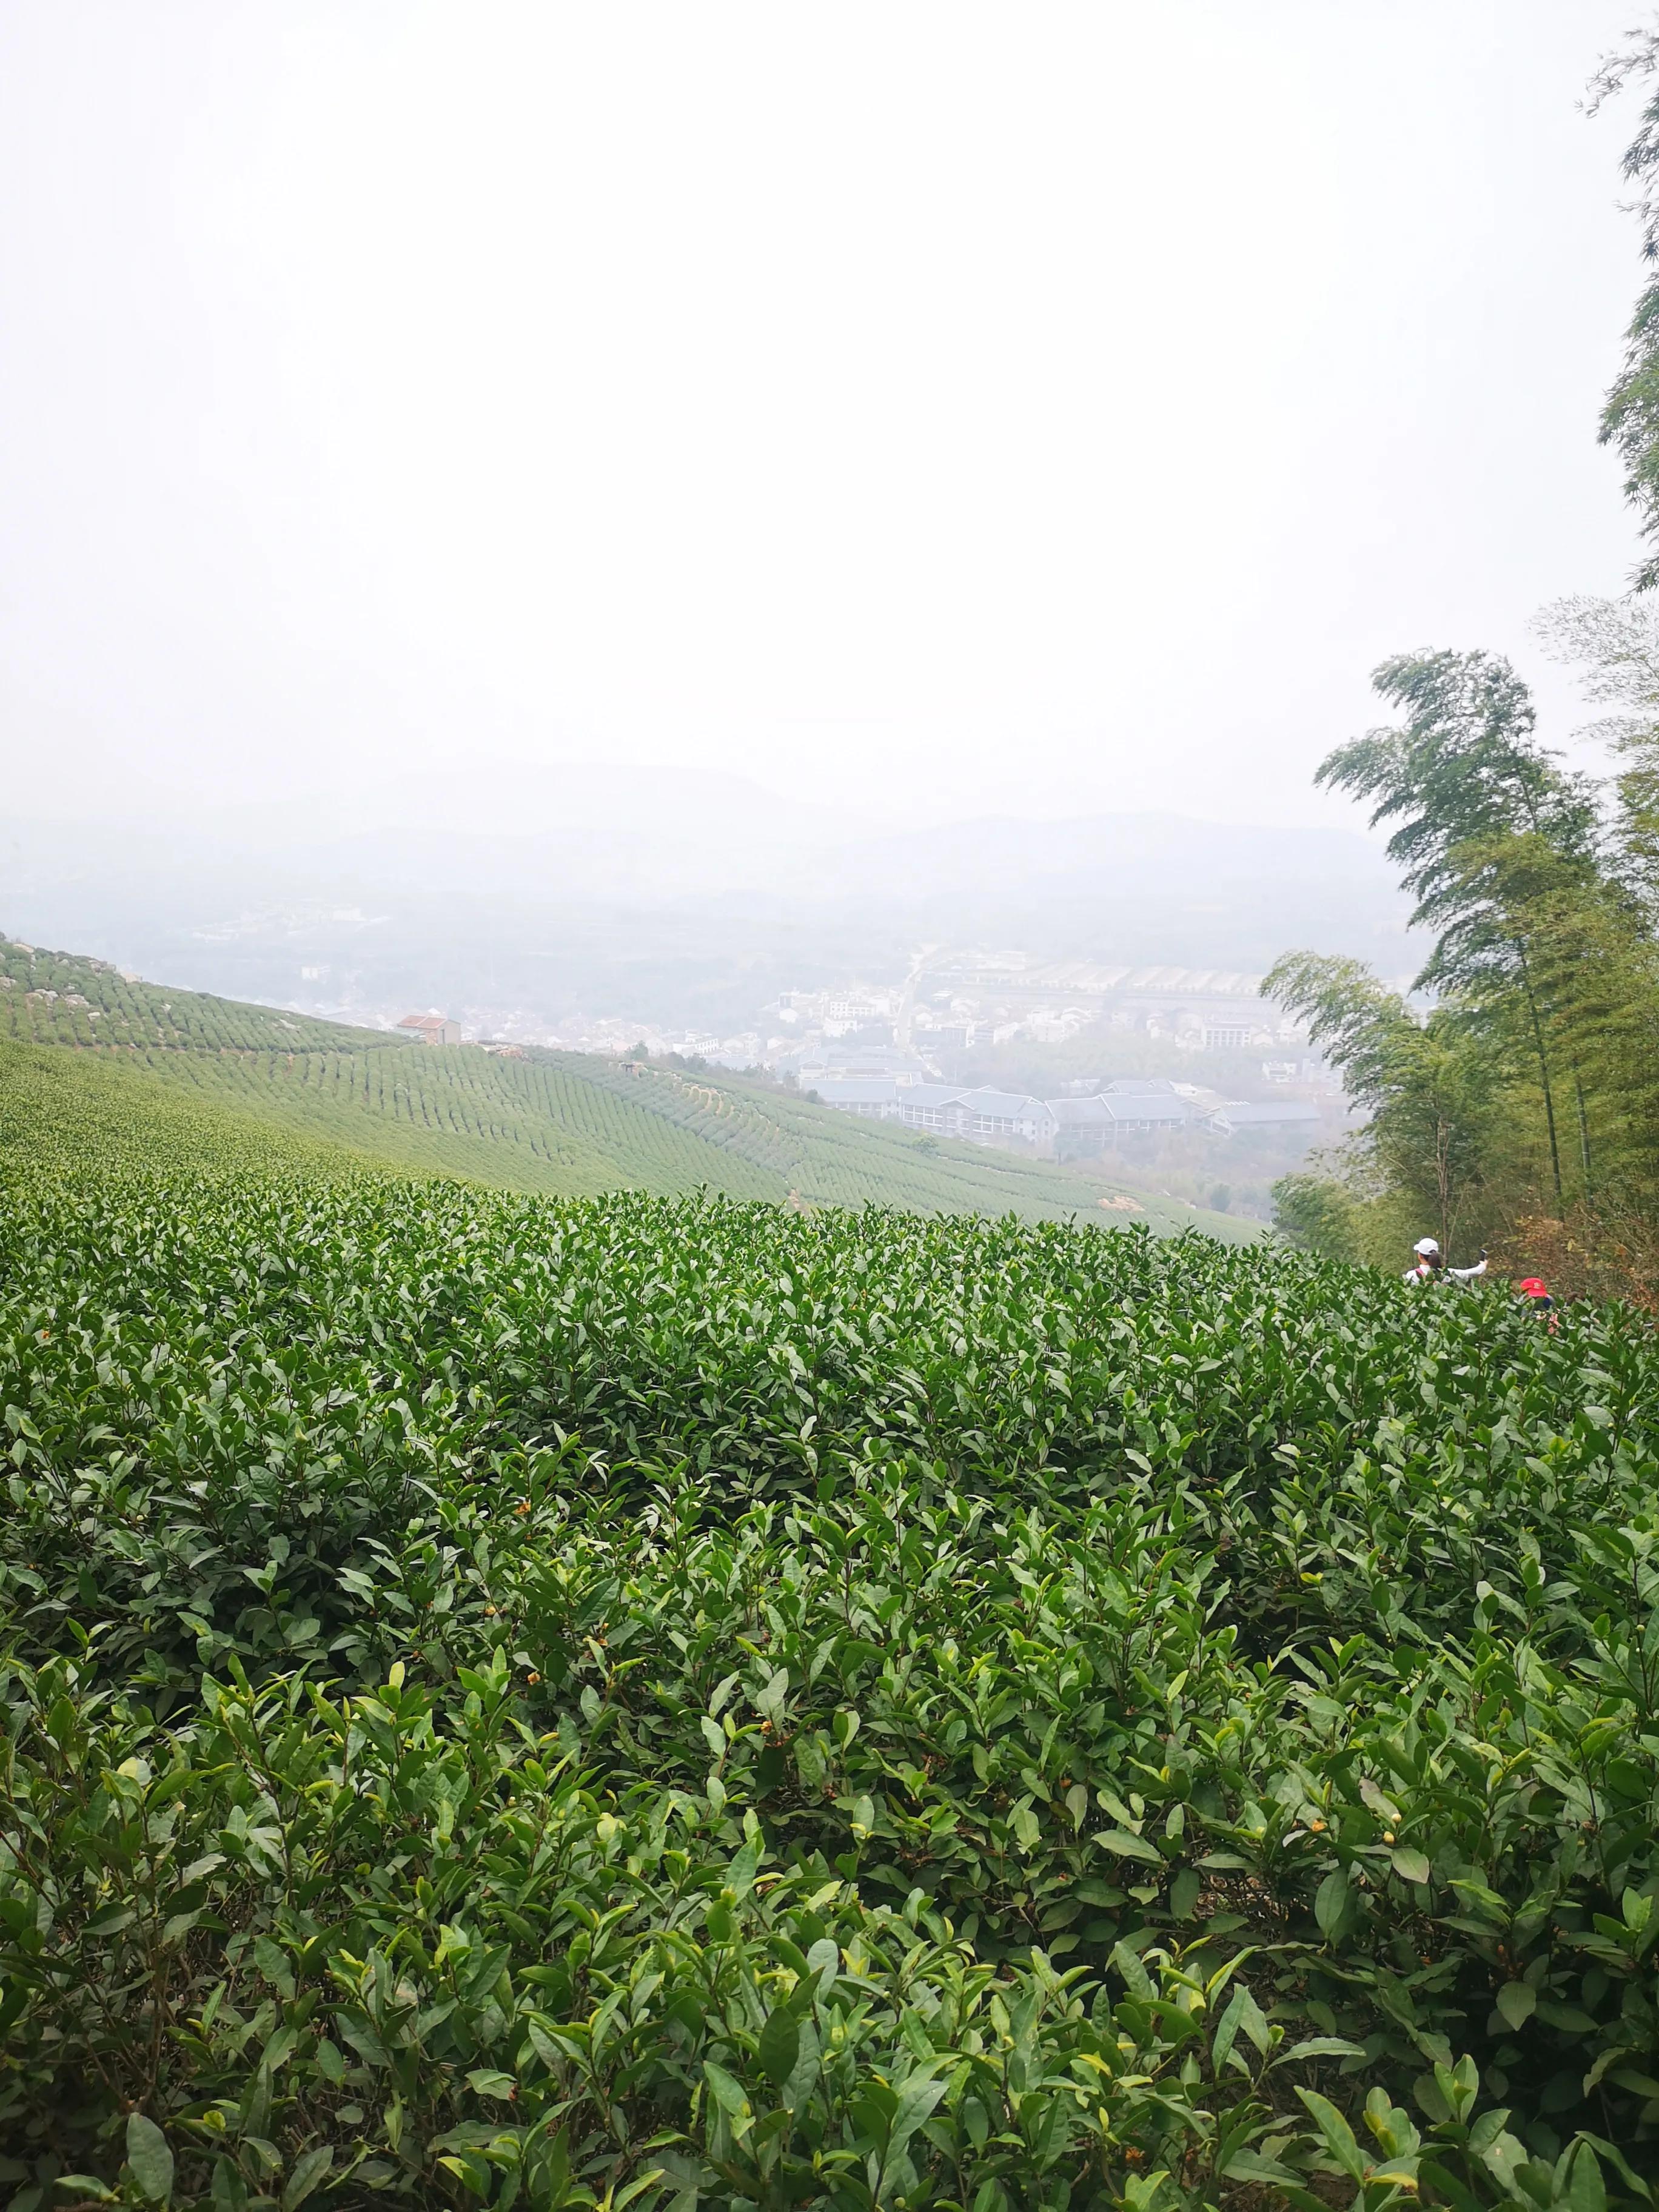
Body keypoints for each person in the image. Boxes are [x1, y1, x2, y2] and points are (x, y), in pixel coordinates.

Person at [1404, 1236, 1487, 1285]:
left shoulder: (1412, 1275)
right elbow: (1471, 1273)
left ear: (1420, 1256)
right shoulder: (1449, 1273)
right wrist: (1483, 1265)